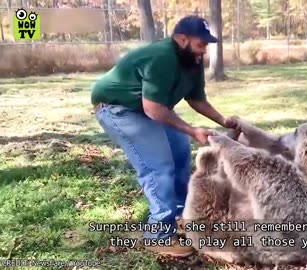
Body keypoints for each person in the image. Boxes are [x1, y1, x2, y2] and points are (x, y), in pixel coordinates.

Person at [90, 15, 238, 257]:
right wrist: (192, 130)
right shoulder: (162, 57)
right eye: (201, 43)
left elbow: (196, 98)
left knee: (180, 154)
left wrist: (223, 121)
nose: (205, 49)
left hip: (148, 108)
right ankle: (158, 235)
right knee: (159, 167)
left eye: (207, 43)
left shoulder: (192, 59)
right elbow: (153, 109)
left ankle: (182, 217)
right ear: (182, 39)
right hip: (119, 108)